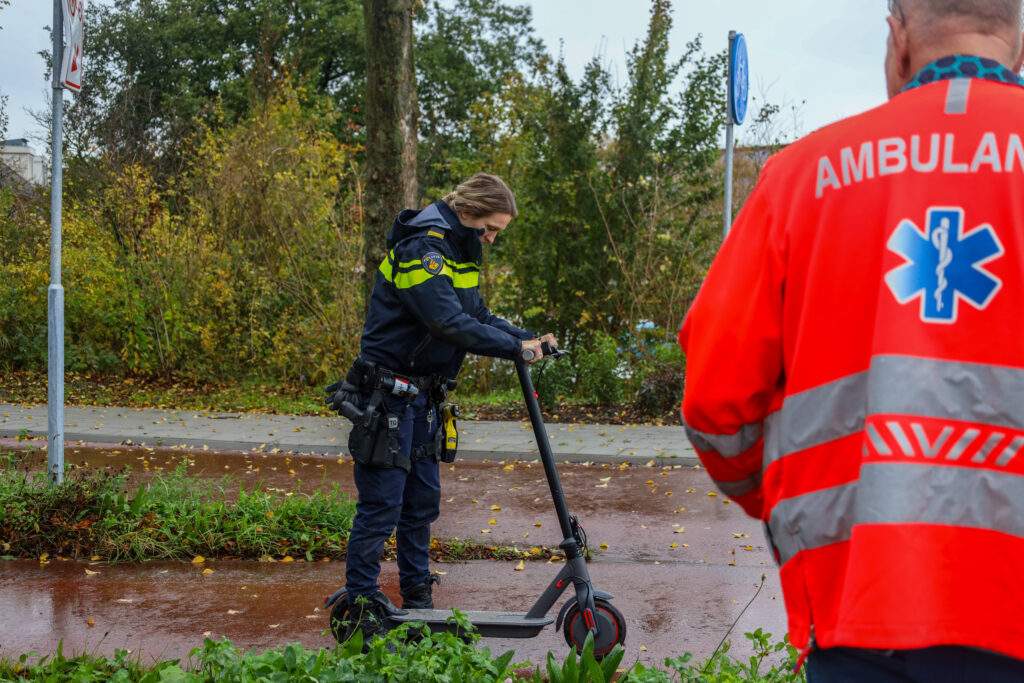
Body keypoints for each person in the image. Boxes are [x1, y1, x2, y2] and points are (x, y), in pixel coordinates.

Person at [679, 1, 1024, 680]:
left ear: (896, 39)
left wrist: (791, 494)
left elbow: (716, 402)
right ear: (1017, 42)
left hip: (861, 607)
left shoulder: (801, 177)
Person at [325, 172, 555, 646]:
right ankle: (361, 604)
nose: (490, 239)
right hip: (386, 398)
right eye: (489, 229)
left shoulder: (458, 253)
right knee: (382, 505)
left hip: (423, 399)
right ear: (468, 212)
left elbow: (477, 316)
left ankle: (418, 605)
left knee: (421, 505)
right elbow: (444, 321)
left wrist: (526, 339)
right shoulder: (422, 250)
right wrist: (516, 351)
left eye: (496, 233)